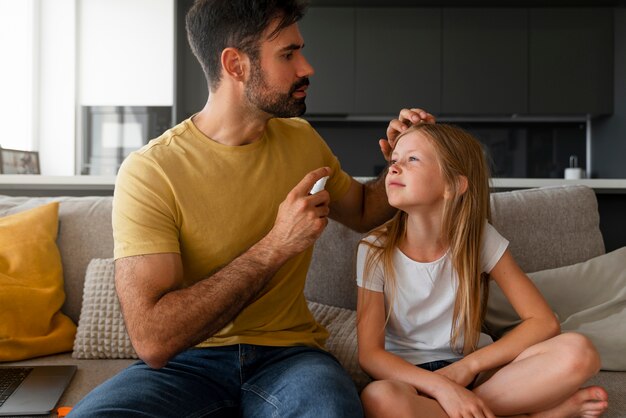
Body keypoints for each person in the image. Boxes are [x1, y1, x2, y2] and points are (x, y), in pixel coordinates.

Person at [67, 0, 434, 416]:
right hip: (186, 364)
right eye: (288, 54)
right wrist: (277, 244)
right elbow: (153, 340)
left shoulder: (302, 140)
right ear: (236, 65)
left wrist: (403, 163)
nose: (306, 68)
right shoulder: (152, 171)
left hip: (290, 357)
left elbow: (366, 209)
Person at [356, 123, 609, 418]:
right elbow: (370, 355)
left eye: (411, 159)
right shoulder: (374, 249)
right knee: (379, 398)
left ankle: (470, 406)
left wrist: (467, 368)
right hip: (408, 380)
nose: (394, 168)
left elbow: (543, 322)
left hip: (473, 372)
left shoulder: (479, 239)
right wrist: (443, 389)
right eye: (393, 160)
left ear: (453, 186)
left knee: (579, 352)